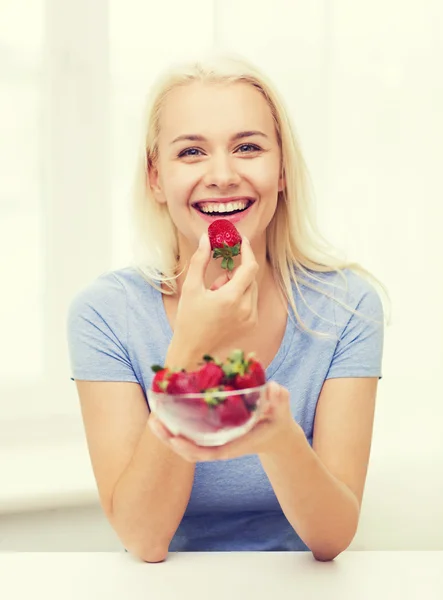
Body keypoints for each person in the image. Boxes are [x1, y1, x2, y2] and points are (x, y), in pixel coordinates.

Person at [67, 52, 389, 563]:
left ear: (281, 170)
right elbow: (144, 539)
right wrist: (191, 347)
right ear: (156, 179)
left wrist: (277, 435)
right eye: (191, 152)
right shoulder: (104, 315)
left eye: (247, 147)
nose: (222, 175)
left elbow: (331, 538)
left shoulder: (346, 307)